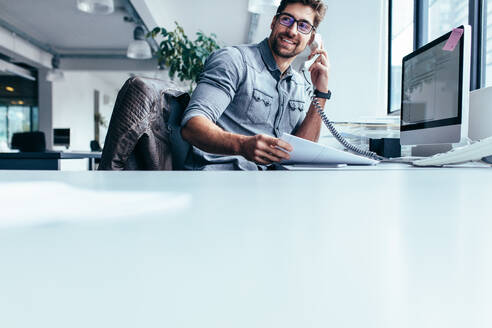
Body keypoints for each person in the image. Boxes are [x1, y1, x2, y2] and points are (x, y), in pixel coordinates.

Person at [181, 0, 329, 170]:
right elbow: (192, 126)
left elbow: (301, 152)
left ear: (312, 38)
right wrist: (242, 145)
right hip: (219, 181)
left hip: (269, 188)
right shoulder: (233, 60)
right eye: (287, 20)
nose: (292, 31)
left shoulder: (299, 85)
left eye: (303, 26)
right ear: (273, 22)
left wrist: (321, 92)